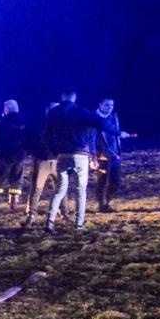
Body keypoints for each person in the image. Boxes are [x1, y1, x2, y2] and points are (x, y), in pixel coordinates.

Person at [44, 90, 111, 234]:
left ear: (61, 97)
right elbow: (98, 121)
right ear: (74, 97)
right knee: (80, 191)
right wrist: (114, 130)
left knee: (60, 190)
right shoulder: (80, 111)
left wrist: (56, 151)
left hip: (62, 155)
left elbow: (47, 136)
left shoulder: (53, 113)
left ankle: (50, 221)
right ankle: (78, 223)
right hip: (80, 154)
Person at [91, 97, 136, 212]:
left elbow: (115, 134)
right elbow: (101, 132)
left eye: (111, 105)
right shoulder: (94, 118)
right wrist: (93, 155)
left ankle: (106, 201)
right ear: (100, 105)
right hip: (101, 155)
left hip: (114, 154)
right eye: (106, 105)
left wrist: (118, 148)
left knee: (116, 182)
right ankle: (102, 205)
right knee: (102, 181)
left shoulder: (112, 117)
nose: (109, 107)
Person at [23, 101, 61, 227]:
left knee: (61, 187)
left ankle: (64, 213)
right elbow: (30, 141)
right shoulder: (39, 125)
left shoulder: (61, 125)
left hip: (57, 160)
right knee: (37, 188)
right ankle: (31, 214)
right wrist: (38, 155)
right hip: (42, 160)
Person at [0, 100, 27, 211]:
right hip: (19, 155)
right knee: (16, 178)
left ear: (7, 109)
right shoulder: (24, 122)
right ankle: (13, 204)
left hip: (3, 155)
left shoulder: (1, 122)